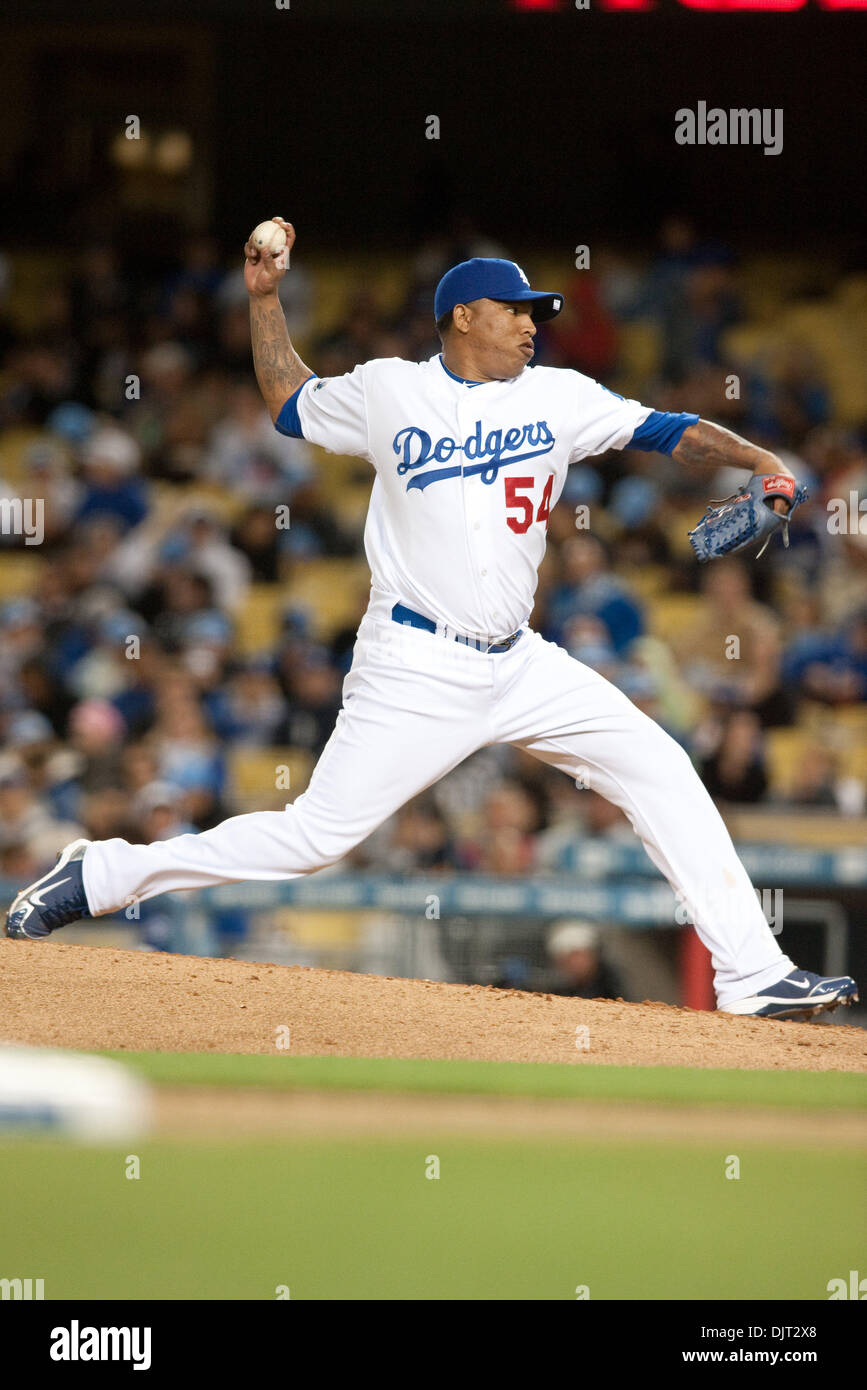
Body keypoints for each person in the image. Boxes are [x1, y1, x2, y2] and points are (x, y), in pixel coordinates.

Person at [5, 220, 858, 1024]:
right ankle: (103, 872)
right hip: (414, 663)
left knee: (659, 765)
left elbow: (666, 431)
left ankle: (751, 976)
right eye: (515, 312)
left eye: (536, 313)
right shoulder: (391, 390)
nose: (531, 326)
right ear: (461, 316)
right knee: (313, 838)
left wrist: (759, 459)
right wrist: (264, 300)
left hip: (521, 662)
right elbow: (287, 401)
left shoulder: (557, 396)